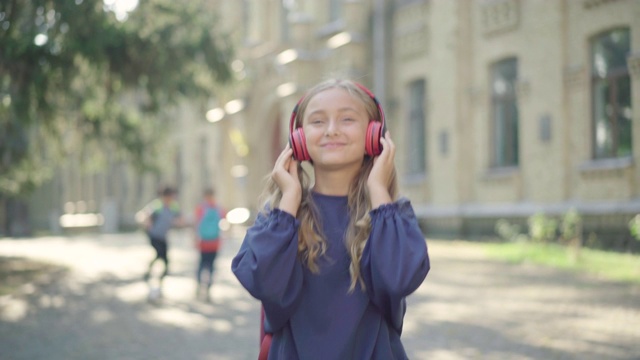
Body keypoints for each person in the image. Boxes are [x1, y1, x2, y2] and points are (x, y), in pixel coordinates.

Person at [231, 79, 430, 359]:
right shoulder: (278, 219)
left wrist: (378, 191)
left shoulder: (392, 217)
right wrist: (289, 199)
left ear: (374, 135)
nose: (332, 130)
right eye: (318, 121)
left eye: (347, 119)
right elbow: (263, 282)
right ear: (298, 141)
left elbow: (397, 280)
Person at [139, 185, 184, 297]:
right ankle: (151, 275)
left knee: (164, 259)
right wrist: (147, 223)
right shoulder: (157, 205)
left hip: (163, 237)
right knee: (160, 254)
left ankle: (158, 279)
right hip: (154, 236)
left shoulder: (173, 206)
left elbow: (179, 218)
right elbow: (145, 215)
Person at [193, 187, 225, 302]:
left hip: (211, 242)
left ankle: (205, 289)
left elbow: (196, 223)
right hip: (207, 242)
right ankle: (201, 288)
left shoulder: (205, 208)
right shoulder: (216, 208)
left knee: (207, 266)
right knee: (206, 266)